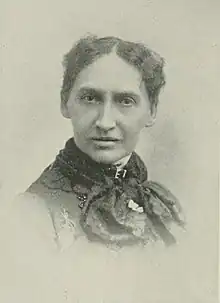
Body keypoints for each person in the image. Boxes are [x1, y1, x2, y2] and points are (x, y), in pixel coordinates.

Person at [21, 34, 185, 251]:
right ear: (65, 102)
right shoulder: (32, 213)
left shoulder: (158, 201)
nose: (105, 122)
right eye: (90, 98)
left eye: (125, 101)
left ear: (151, 111)